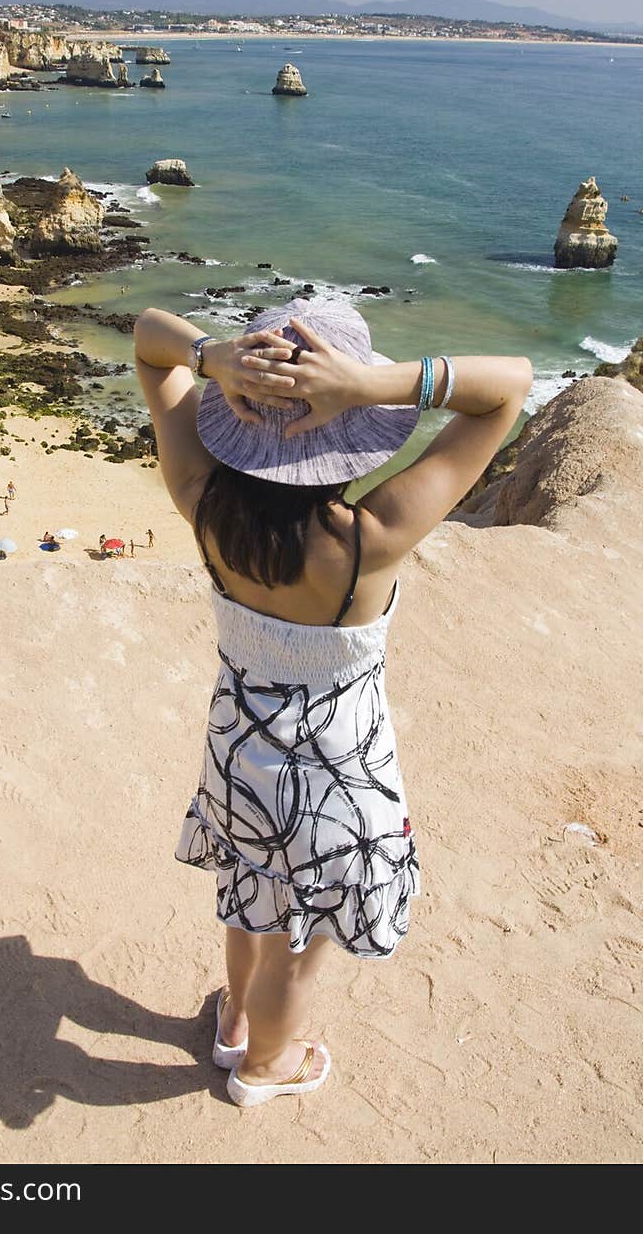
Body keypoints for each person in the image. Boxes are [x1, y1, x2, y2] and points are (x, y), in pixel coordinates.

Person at [133, 298, 531, 1107]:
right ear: (346, 436)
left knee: (250, 896)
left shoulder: (200, 497)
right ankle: (265, 1069)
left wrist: (216, 357)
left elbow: (149, 346)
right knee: (299, 940)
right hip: (335, 776)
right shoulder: (367, 540)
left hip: (237, 748)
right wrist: (370, 383)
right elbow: (508, 390)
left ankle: (234, 1025)